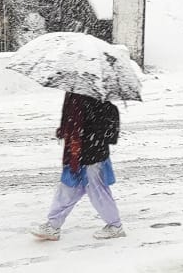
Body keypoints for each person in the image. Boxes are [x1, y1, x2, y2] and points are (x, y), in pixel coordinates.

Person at [31, 92, 125, 241]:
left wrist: (90, 131)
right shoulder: (74, 96)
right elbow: (69, 120)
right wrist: (66, 130)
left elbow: (109, 136)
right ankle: (53, 225)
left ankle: (115, 226)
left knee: (98, 191)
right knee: (67, 189)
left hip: (92, 156)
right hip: (75, 154)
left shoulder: (99, 102)